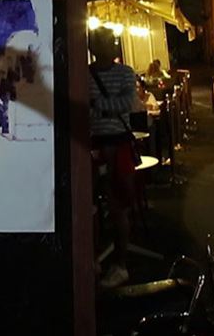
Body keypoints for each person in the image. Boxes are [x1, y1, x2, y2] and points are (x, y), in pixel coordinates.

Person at [88, 34, 140, 289]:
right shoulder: (83, 74)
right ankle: (94, 258)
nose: (109, 47)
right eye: (104, 43)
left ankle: (120, 264)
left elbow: (128, 102)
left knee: (119, 205)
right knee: (89, 206)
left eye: (110, 43)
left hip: (118, 144)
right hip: (92, 145)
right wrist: (105, 107)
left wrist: (96, 105)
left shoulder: (125, 72)